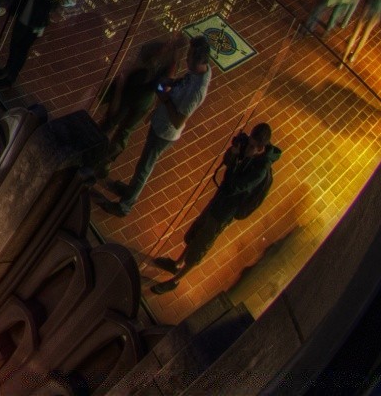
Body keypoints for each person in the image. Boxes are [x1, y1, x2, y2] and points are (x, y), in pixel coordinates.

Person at [150, 124, 280, 295]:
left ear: (261, 148)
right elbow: (227, 163)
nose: (247, 148)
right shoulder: (248, 151)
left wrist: (236, 161)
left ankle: (175, 280)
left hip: (224, 212)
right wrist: (233, 153)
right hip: (218, 202)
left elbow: (233, 186)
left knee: (200, 246)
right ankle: (177, 263)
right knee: (196, 233)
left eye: (251, 146)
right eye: (248, 143)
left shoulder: (260, 170)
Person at [102, 36, 211, 216]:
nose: (186, 59)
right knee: (142, 165)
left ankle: (125, 206)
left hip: (164, 132)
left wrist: (165, 99)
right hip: (160, 121)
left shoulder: (196, 91)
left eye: (189, 56)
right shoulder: (200, 71)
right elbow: (181, 82)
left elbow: (178, 121)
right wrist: (171, 85)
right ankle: (129, 191)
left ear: (198, 59)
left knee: (144, 168)